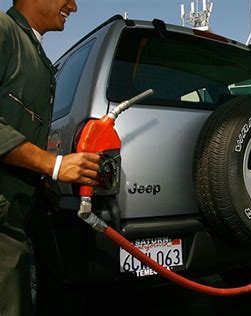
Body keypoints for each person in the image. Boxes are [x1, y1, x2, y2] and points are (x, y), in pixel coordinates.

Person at [0, 0, 101, 315]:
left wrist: (41, 181)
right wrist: (54, 165)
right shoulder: (4, 32)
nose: (73, 6)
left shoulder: (37, 55)